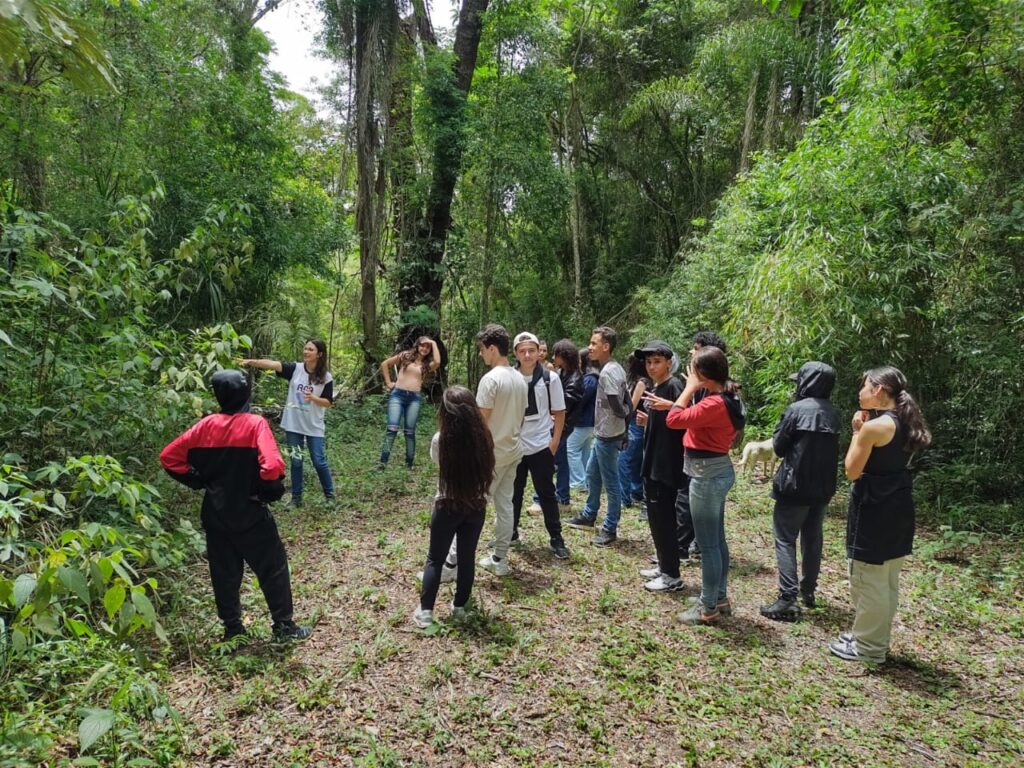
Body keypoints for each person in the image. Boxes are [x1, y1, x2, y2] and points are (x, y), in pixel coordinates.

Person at [160, 370, 312, 642]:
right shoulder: (255, 424)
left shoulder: (204, 426)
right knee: (272, 567)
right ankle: (284, 626)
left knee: (224, 573)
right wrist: (270, 489)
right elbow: (273, 465)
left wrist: (197, 479)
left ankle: (232, 629)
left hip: (216, 514)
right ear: (245, 393)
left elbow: (169, 457)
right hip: (251, 512)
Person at [829, 366, 930, 663]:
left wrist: (857, 432)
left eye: (863, 386)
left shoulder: (874, 428)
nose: (859, 391)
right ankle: (872, 637)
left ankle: (868, 649)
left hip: (873, 509)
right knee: (886, 580)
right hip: (898, 506)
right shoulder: (905, 422)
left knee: (868, 579)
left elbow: (851, 470)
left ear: (878, 390)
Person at [662, 346, 745, 624]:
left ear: (703, 375)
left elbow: (673, 420)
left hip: (707, 476)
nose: (689, 371)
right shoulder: (728, 396)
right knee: (716, 540)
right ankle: (718, 596)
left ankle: (707, 607)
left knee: (708, 545)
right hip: (716, 470)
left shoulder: (714, 404)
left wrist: (688, 389)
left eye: (693, 367)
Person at [760, 362, 840, 622]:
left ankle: (787, 599)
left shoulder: (796, 410)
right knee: (813, 538)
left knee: (785, 539)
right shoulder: (835, 413)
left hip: (793, 488)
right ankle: (808, 592)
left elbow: (779, 447)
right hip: (822, 488)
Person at [413, 386, 496, 628]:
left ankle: (426, 612)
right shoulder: (485, 437)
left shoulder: (441, 439)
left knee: (434, 559)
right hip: (477, 505)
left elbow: (436, 461)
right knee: (467, 557)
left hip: (447, 504)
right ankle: (460, 606)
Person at [241, 340, 335, 507]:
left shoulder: (326, 377)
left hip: (314, 425)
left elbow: (328, 402)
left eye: (310, 349)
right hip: (294, 424)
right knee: (296, 461)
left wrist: (314, 398)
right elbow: (273, 365)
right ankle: (296, 498)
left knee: (319, 461)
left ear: (319, 354)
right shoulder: (295, 369)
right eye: (305, 348)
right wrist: (251, 362)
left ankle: (330, 496)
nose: (306, 351)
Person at [509, 332, 571, 559]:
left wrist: (553, 443)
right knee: (513, 493)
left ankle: (556, 538)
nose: (527, 355)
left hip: (540, 445)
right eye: (522, 350)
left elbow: (559, 412)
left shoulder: (549, 378)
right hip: (515, 446)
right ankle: (510, 533)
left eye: (531, 350)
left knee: (546, 493)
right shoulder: (509, 378)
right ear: (515, 353)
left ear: (538, 352)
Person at [567, 326, 629, 547]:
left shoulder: (608, 372)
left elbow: (618, 404)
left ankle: (610, 527)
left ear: (606, 346)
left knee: (611, 483)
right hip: (603, 433)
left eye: (594, 343)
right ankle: (589, 514)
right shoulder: (616, 368)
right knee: (593, 475)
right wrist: (625, 425)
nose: (590, 347)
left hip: (608, 435)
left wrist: (623, 423)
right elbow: (627, 399)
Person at [633, 341, 686, 592]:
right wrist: (648, 422)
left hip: (665, 465)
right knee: (656, 518)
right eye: (648, 362)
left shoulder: (674, 386)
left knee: (664, 519)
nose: (652, 366)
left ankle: (671, 576)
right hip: (653, 462)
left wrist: (668, 410)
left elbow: (684, 420)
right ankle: (664, 565)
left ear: (669, 362)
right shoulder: (658, 388)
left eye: (657, 361)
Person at [379, 336, 441, 467]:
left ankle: (409, 464)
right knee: (392, 428)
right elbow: (385, 364)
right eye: (422, 345)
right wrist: (389, 382)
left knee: (409, 431)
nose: (424, 348)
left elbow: (437, 361)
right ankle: (383, 463)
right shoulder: (405, 355)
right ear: (417, 345)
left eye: (427, 347)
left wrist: (433, 343)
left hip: (414, 398)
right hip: (397, 395)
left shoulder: (426, 365)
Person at [551, 339, 584, 514]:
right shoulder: (563, 373)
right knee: (559, 461)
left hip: (564, 426)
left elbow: (565, 402)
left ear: (564, 356)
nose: (553, 358)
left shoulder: (575, 378)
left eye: (556, 354)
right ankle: (560, 497)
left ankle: (561, 498)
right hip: (560, 424)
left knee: (559, 462)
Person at [618, 353, 649, 512]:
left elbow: (632, 405)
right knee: (636, 461)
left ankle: (624, 497)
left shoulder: (641, 382)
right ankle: (636, 492)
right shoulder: (644, 381)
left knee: (623, 460)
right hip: (639, 425)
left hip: (634, 423)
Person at [567, 349, 598, 494]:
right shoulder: (592, 377)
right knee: (584, 450)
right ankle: (586, 480)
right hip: (588, 422)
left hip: (583, 421)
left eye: (579, 359)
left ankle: (578, 482)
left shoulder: (590, 379)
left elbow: (581, 398)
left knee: (571, 449)